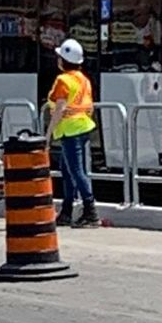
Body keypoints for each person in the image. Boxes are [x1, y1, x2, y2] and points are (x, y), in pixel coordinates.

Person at [48, 38, 98, 228]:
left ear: (63, 60)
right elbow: (89, 107)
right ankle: (67, 211)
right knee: (68, 170)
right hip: (83, 128)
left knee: (76, 171)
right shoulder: (84, 79)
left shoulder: (63, 80)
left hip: (70, 130)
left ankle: (90, 212)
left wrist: (47, 136)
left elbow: (59, 109)